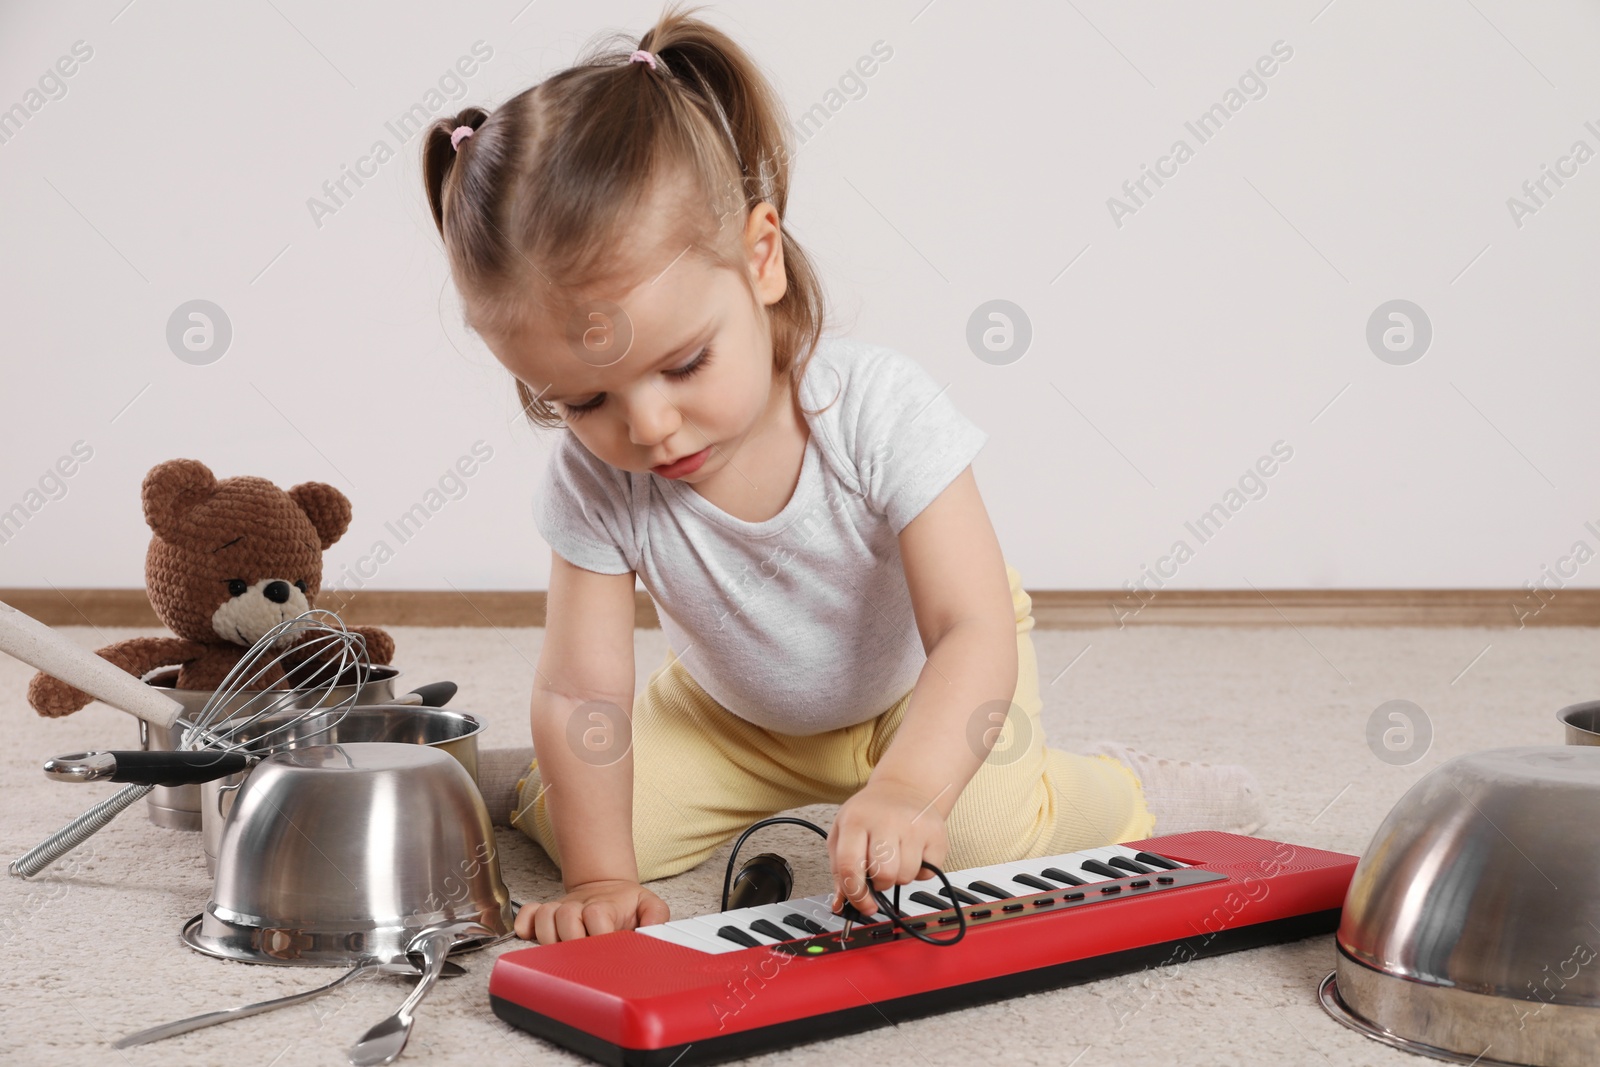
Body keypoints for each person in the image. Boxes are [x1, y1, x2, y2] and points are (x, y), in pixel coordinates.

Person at [421, 4, 1267, 945]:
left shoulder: (874, 410)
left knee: (983, 840)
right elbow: (583, 692)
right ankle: (504, 785)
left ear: (761, 258)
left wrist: (910, 784)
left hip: (928, 683)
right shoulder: (594, 479)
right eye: (584, 401)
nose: (648, 426)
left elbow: (970, 628)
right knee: (608, 822)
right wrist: (600, 873)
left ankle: (1121, 785)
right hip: (735, 718)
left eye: (686, 362)